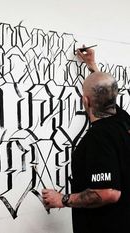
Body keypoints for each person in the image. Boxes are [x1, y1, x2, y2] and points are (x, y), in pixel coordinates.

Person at [42, 47, 130, 233]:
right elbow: (105, 92)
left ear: (85, 101)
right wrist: (92, 67)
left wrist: (62, 199)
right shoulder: (124, 121)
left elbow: (108, 193)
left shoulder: (98, 138)